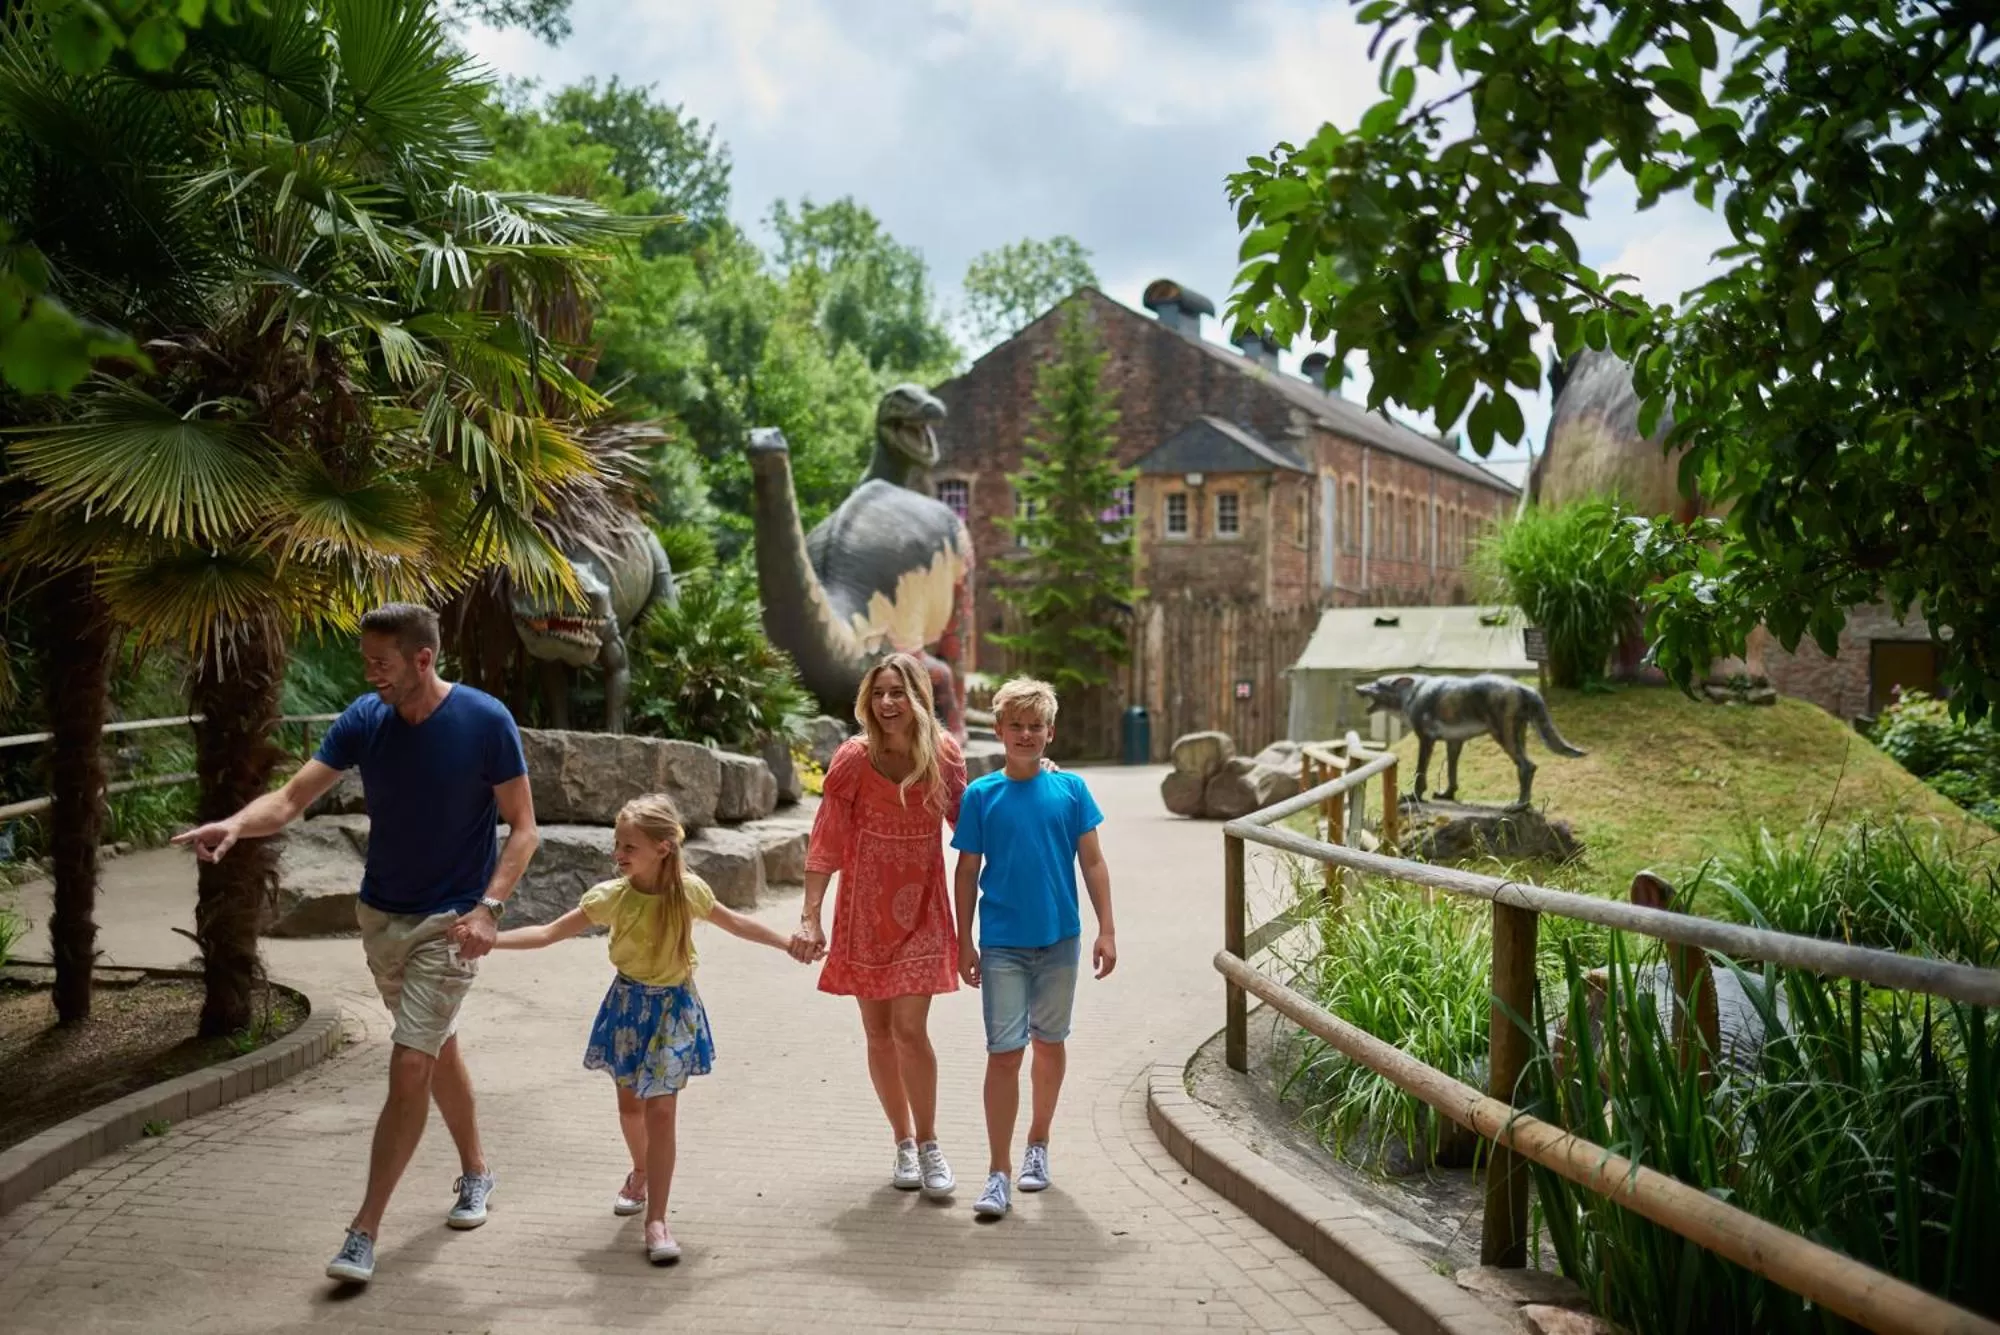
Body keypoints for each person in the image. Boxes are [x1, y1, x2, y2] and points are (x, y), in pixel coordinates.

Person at [173, 603, 538, 1285]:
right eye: (366, 660)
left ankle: (363, 1230)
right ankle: (478, 1171)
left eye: (381, 662)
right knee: (436, 1046)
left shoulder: (486, 721)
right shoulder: (366, 719)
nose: (370, 674)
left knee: (409, 1062)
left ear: (423, 658)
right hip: (381, 919)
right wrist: (236, 823)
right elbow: (291, 798)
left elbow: (523, 827)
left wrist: (489, 910)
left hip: (452, 923)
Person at [493, 793, 812, 1262]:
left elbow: (738, 923)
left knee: (661, 1110)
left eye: (629, 847)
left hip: (674, 1010)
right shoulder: (611, 897)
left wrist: (789, 943)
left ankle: (657, 1220)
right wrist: (489, 940)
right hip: (627, 1007)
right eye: (617, 844)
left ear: (662, 848)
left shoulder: (689, 891)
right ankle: (639, 1171)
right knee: (631, 1108)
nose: (618, 854)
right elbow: (547, 934)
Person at [788, 653, 968, 1199]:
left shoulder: (943, 755)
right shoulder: (853, 759)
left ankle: (930, 1143)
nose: (887, 703)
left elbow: (971, 823)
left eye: (898, 693)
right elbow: (826, 840)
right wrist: (810, 916)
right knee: (878, 1033)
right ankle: (903, 1142)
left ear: (918, 699)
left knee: (910, 1030)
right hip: (864, 913)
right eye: (879, 693)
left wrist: (1030, 778)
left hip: (923, 911)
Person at [950, 677, 1117, 1221]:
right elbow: (966, 871)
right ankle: (997, 1172)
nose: (1026, 734)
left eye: (1035, 726)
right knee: (1004, 1053)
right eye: (1016, 726)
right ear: (999, 730)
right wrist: (963, 941)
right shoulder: (981, 795)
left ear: (1050, 733)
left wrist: (1107, 929)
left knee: (1049, 1043)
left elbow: (1093, 861)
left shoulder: (1071, 790)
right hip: (1001, 945)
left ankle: (1037, 1144)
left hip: (1060, 941)